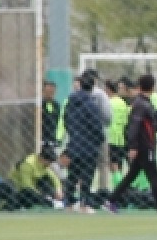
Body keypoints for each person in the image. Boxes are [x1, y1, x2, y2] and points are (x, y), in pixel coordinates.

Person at [105, 74, 157, 213]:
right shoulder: (142, 104)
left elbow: (151, 124)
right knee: (154, 175)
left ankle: (110, 200)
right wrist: (133, 146)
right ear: (153, 87)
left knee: (131, 176)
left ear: (139, 87)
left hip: (142, 146)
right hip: (145, 147)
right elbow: (134, 126)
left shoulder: (142, 102)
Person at [62, 72, 104, 213]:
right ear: (92, 86)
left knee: (73, 174)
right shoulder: (91, 105)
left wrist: (74, 135)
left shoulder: (70, 103)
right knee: (87, 175)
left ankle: (68, 203)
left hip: (75, 143)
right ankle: (84, 204)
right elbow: (97, 126)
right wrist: (99, 139)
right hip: (89, 145)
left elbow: (66, 121)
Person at [0, 145, 63, 210]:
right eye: (49, 162)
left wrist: (58, 189)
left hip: (29, 190)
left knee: (46, 182)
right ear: (42, 158)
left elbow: (53, 177)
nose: (50, 164)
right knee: (28, 193)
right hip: (16, 188)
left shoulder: (44, 165)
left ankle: (50, 202)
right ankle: (51, 203)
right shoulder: (28, 164)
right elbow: (27, 186)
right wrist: (42, 196)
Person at [104, 79, 131, 189]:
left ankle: (119, 189)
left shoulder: (109, 103)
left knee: (114, 166)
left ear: (109, 90)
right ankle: (121, 188)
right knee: (118, 166)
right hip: (121, 138)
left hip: (111, 138)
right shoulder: (123, 103)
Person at [40, 80, 60, 149]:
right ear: (43, 91)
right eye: (48, 91)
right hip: (41, 138)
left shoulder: (56, 105)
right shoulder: (40, 105)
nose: (51, 93)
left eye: (52, 92)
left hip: (52, 138)